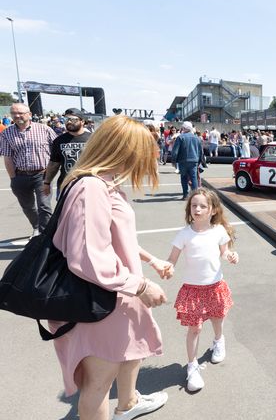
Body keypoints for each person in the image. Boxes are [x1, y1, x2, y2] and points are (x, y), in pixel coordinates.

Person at [52, 115, 171, 420]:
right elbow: (90, 257)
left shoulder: (103, 183)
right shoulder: (92, 187)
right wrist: (142, 285)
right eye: (144, 151)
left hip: (115, 295)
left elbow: (118, 239)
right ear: (123, 149)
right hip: (104, 302)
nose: (148, 158)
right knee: (98, 386)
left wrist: (150, 261)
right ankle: (124, 405)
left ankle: (128, 403)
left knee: (129, 353)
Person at [165, 188, 239, 392]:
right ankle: (192, 367)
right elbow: (172, 258)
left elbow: (225, 252)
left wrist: (231, 256)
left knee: (217, 319)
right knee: (194, 329)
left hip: (215, 286)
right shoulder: (184, 234)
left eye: (202, 206)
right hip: (193, 291)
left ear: (213, 210)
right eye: (194, 205)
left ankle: (218, 341)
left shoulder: (218, 231)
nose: (197, 209)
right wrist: (169, 267)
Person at [0, 103, 56, 237]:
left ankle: (45, 236)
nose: (17, 116)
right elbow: (7, 157)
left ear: (29, 114)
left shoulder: (45, 129)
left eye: (20, 113)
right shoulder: (7, 133)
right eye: (14, 113)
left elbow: (56, 151)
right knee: (28, 207)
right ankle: (36, 226)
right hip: (20, 176)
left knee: (44, 206)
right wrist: (13, 178)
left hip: (42, 175)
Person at [43, 108, 92, 199]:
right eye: (66, 119)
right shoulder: (59, 140)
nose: (69, 122)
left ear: (82, 121)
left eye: (73, 119)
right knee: (65, 212)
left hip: (89, 185)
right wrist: (47, 182)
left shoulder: (93, 139)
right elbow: (53, 164)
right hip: (65, 185)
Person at [172, 121, 204, 200]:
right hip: (194, 161)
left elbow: (175, 151)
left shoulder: (180, 137)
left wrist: (174, 161)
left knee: (183, 177)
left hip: (183, 160)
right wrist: (200, 161)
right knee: (194, 178)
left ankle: (185, 195)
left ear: (184, 128)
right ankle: (195, 196)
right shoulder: (197, 138)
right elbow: (201, 151)